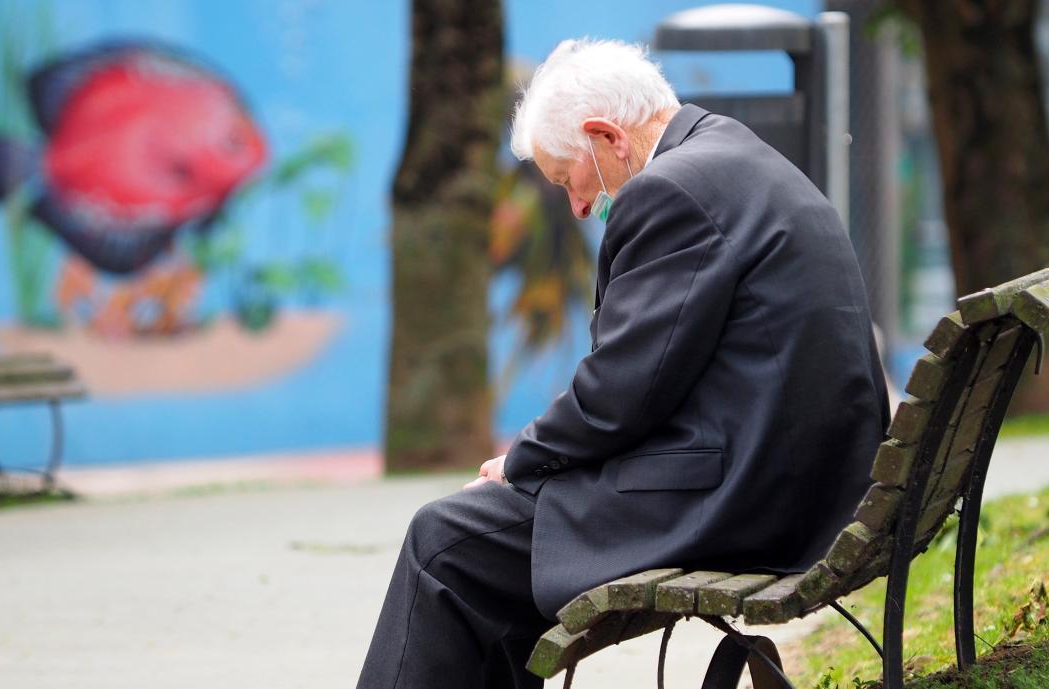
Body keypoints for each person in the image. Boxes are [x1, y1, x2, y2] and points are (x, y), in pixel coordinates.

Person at [356, 39, 889, 688]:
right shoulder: (736, 156)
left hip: (748, 501)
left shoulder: (670, 191)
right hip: (810, 487)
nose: (578, 207)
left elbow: (619, 393)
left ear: (606, 137)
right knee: (486, 558)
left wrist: (521, 459)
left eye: (566, 180)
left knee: (443, 541)